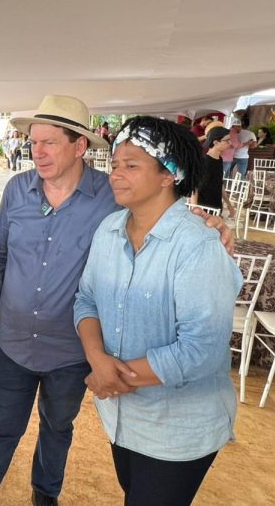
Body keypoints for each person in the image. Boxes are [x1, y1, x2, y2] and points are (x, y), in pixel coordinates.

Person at [0, 96, 233, 506]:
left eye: (50, 142)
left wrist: (205, 222)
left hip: (73, 355)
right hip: (17, 343)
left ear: (80, 146)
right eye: (34, 142)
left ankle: (45, 495)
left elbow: (161, 207)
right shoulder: (29, 193)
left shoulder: (112, 200)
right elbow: (3, 259)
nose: (39, 151)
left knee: (57, 427)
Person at [74, 116, 242, 506]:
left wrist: (114, 377)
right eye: (115, 164)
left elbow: (201, 350)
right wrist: (97, 359)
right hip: (121, 416)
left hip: (177, 429)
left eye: (131, 166)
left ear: (170, 175)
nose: (116, 174)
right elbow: (86, 299)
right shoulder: (109, 230)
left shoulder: (197, 245)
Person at [192, 126, 235, 216]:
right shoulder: (204, 161)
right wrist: (194, 209)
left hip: (216, 205)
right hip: (203, 208)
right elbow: (194, 187)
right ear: (215, 142)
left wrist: (229, 204)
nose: (230, 143)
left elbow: (219, 183)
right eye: (227, 140)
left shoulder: (219, 159)